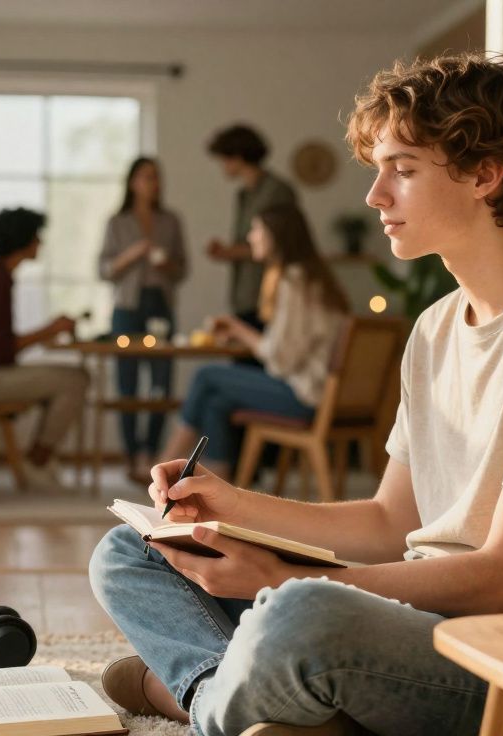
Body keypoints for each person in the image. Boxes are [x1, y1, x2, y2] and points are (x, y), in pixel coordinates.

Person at [89, 53, 503, 736]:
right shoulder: (437, 326)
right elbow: (391, 521)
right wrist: (230, 505)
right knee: (129, 553)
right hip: (409, 620)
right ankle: (252, 696)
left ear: (486, 175)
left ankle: (193, 696)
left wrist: (277, 581)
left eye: (403, 170)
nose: (375, 196)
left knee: (300, 611)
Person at [156, 203, 348, 480]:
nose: (250, 237)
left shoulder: (294, 281)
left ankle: (163, 469)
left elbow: (281, 361)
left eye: (257, 229)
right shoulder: (313, 278)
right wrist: (239, 332)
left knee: (205, 375)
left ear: (276, 235)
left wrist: (238, 329)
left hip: (304, 397)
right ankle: (212, 484)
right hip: (319, 394)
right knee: (215, 403)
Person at [0, 207, 89, 486]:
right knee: (75, 380)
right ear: (22, 240)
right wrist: (50, 329)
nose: (40, 243)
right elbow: (1, 352)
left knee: (67, 377)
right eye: (36, 236)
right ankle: (38, 459)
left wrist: (44, 335)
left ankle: (40, 456)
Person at [99, 157, 189, 485]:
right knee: (127, 384)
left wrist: (166, 266)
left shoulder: (171, 221)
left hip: (160, 305)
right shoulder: (117, 222)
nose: (153, 183)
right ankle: (131, 453)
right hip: (127, 307)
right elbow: (104, 270)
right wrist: (132, 254)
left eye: (156, 177)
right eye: (146, 176)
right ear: (132, 182)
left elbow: (183, 270)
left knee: (160, 384)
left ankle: (151, 453)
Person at [205, 124, 298, 339]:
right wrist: (228, 251)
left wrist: (230, 252)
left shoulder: (277, 191)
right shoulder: (243, 195)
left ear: (238, 157)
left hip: (269, 295)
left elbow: (282, 244)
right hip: (244, 296)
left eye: (224, 159)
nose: (223, 166)